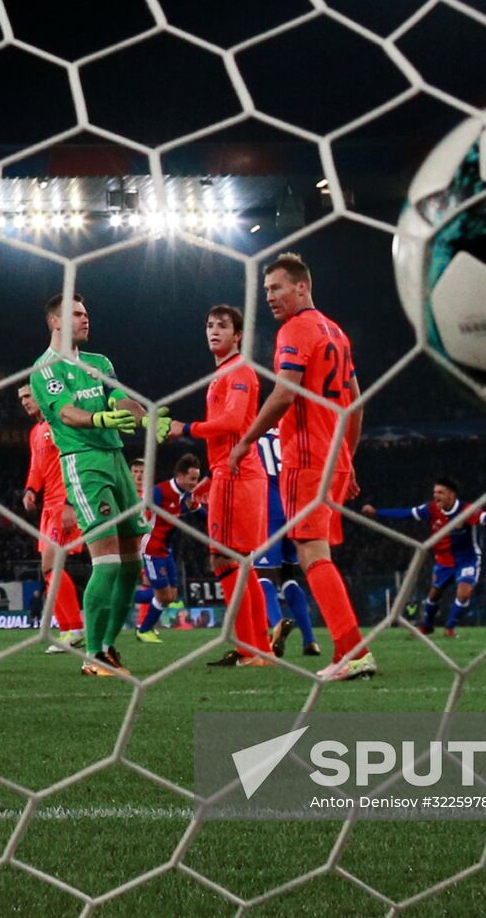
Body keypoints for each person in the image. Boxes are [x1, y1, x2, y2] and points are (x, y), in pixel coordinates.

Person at [229, 253, 372, 681]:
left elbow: (284, 395)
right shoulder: (337, 332)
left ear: (302, 287)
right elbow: (356, 400)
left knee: (311, 554)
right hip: (333, 456)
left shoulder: (295, 330)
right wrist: (347, 456)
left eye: (277, 288)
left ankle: (351, 651)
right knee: (315, 554)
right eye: (266, 289)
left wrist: (247, 440)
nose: (270, 296)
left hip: (306, 457)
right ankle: (351, 649)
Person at [28, 293, 168, 677]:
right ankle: (92, 653)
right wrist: (100, 421)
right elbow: (68, 414)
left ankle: (107, 647)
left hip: (117, 461)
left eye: (86, 313)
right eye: (75, 314)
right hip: (84, 464)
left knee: (130, 563)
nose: (85, 319)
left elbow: (121, 399)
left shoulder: (98, 363)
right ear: (55, 322)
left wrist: (146, 420)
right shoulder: (44, 370)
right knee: (105, 562)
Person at [167, 305, 274, 666]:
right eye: (209, 325)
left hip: (239, 475)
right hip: (230, 473)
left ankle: (251, 649)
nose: (214, 331)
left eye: (223, 326)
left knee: (223, 558)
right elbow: (236, 429)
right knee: (241, 563)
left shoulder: (239, 371)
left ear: (238, 335)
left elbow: (230, 422)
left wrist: (186, 428)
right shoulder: (223, 373)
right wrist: (211, 478)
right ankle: (258, 648)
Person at [364, 476, 486, 636]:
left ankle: (449, 627)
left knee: (464, 593)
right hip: (444, 560)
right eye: (435, 492)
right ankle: (426, 626)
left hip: (467, 559)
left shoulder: (466, 510)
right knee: (434, 594)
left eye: (440, 492)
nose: (436, 496)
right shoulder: (431, 509)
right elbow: (406, 513)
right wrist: (377, 512)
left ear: (451, 495)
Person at [19, 384, 86, 654]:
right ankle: (68, 628)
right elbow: (37, 467)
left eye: (28, 396)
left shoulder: (61, 422)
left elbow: (76, 459)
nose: (24, 401)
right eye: (21, 398)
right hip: (49, 506)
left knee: (51, 565)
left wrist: (71, 503)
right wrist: (30, 489)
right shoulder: (36, 431)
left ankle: (75, 628)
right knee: (48, 569)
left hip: (64, 503)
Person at [253, 426, 320, 658]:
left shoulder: (255, 437)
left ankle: (277, 626)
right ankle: (310, 640)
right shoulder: (298, 434)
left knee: (263, 573)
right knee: (289, 576)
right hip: (296, 508)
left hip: (268, 510)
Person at [135, 454, 204, 644]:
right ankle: (143, 628)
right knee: (163, 595)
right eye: (192, 479)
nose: (194, 483)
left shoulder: (187, 496)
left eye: (196, 479)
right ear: (180, 476)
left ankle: (141, 622)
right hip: (151, 547)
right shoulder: (159, 492)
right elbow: (144, 516)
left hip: (166, 549)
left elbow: (202, 515)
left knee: (171, 596)